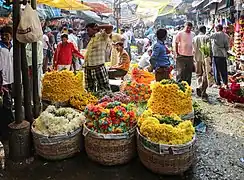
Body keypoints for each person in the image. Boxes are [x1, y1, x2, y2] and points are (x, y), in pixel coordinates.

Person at [84, 23, 113, 93]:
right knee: (90, 91)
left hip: (98, 68)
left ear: (94, 29)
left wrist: (98, 27)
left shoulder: (102, 36)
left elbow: (110, 27)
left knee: (104, 89)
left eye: (88, 30)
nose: (87, 32)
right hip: (88, 69)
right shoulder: (92, 39)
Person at [0, 26, 14, 139]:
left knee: (10, 103)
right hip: (2, 81)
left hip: (12, 79)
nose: (4, 36)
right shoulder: (0, 47)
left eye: (7, 34)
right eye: (3, 34)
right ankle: (6, 131)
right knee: (6, 105)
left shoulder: (14, 47)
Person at [209, 24, 229, 88]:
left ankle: (218, 84)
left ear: (217, 29)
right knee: (224, 69)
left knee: (216, 69)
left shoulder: (216, 34)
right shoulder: (226, 35)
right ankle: (225, 83)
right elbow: (227, 47)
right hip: (223, 55)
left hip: (216, 54)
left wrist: (211, 29)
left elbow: (207, 36)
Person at [193, 26, 209, 101]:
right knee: (205, 75)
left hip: (197, 58)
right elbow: (209, 49)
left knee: (198, 74)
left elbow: (193, 49)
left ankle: (199, 86)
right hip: (205, 58)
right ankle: (203, 91)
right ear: (204, 30)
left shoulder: (195, 38)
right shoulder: (207, 37)